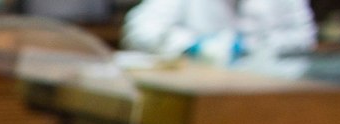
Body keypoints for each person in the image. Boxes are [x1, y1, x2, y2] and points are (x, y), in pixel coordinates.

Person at [122, 0, 317, 61]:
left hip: (268, 89)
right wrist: (193, 46)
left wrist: (255, 47)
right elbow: (138, 29)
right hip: (200, 86)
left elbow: (305, 37)